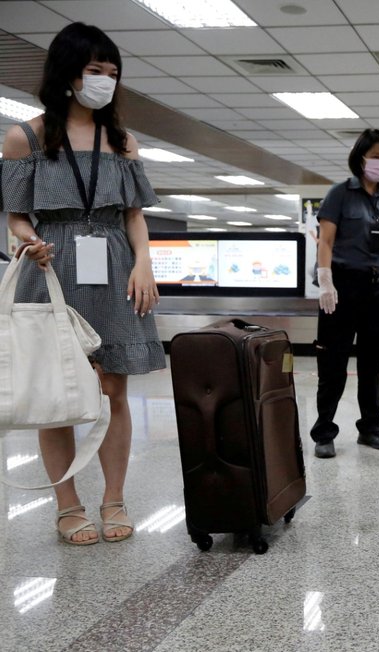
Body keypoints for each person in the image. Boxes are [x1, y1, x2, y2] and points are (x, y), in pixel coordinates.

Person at [0, 23, 165, 544]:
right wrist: (30, 240)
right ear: (68, 73)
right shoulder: (25, 136)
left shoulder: (122, 141)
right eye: (95, 71)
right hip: (52, 267)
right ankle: (67, 505)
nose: (105, 82)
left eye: (112, 73)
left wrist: (144, 262)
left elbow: (134, 214)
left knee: (113, 388)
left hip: (115, 263)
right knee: (60, 393)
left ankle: (113, 499)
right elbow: (17, 216)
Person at [310, 128, 379, 459]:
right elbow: (326, 241)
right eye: (377, 156)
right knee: (333, 362)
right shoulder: (340, 194)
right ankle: (324, 431)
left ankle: (371, 428)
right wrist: (325, 281)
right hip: (343, 285)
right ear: (361, 158)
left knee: (372, 361)